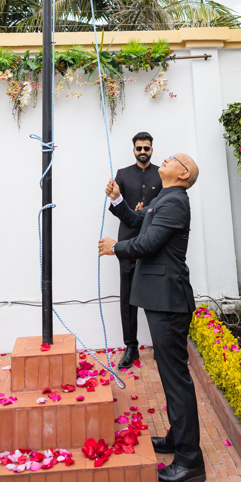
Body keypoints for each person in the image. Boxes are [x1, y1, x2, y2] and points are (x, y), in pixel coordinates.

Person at [99, 153, 205, 482]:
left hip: (169, 301)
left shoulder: (175, 203)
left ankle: (190, 461)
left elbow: (146, 243)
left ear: (183, 174)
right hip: (161, 299)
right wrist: (117, 201)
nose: (166, 158)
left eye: (174, 158)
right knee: (170, 373)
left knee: (176, 379)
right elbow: (136, 219)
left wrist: (116, 248)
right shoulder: (164, 198)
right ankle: (178, 437)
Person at [109, 131, 162, 370]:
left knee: (156, 295)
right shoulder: (122, 174)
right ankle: (131, 347)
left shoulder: (161, 174)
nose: (143, 152)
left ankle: (161, 346)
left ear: (152, 149)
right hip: (128, 241)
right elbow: (114, 206)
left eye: (146, 148)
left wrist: (146, 211)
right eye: (139, 148)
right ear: (133, 150)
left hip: (153, 241)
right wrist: (127, 207)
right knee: (128, 297)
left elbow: (163, 205)